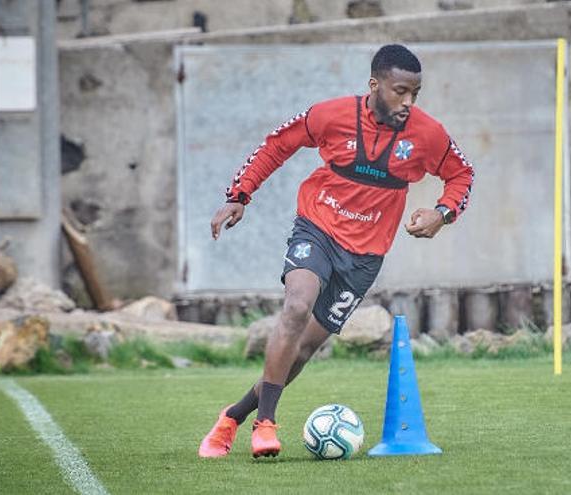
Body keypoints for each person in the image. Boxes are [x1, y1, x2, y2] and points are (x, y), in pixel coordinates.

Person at [198, 44, 474, 459]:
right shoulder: (331, 115)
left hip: (364, 257)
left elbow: (462, 174)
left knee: (304, 350)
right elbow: (277, 145)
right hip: (318, 227)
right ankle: (265, 425)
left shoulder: (427, 134)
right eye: (400, 91)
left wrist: (442, 213)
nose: (408, 102)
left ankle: (232, 417)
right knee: (296, 305)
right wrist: (239, 195)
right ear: (374, 85)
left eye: (415, 93)